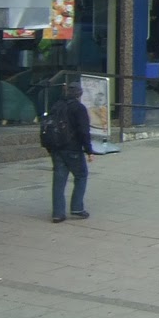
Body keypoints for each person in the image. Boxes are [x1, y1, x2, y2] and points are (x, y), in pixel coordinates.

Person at [49, 82, 93, 223]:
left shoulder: (56, 105)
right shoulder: (79, 108)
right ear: (79, 94)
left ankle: (58, 213)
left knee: (59, 181)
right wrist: (89, 150)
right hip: (72, 148)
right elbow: (83, 131)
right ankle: (77, 207)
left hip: (56, 147)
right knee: (81, 175)